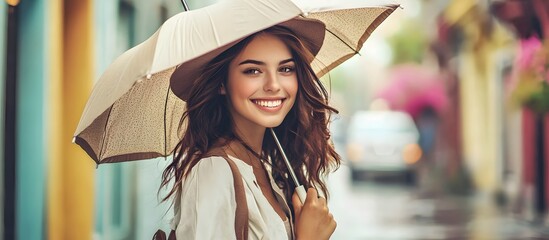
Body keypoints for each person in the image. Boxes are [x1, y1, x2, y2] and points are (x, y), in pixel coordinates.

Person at [160, 24, 340, 240]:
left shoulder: (265, 166)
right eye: (253, 70)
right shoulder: (214, 171)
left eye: (285, 69)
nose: (273, 85)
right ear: (222, 84)